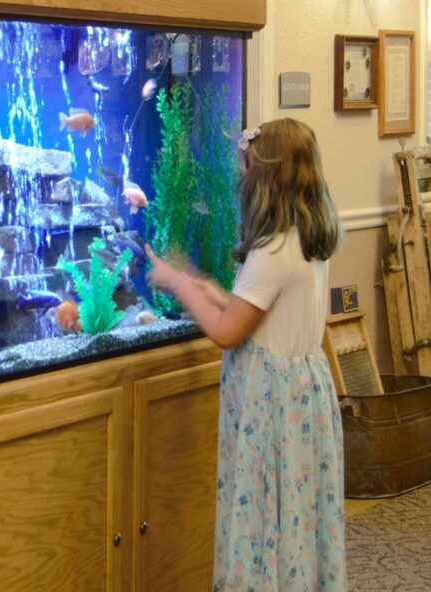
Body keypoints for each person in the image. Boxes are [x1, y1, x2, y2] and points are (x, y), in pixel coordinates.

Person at [146, 118, 346, 591]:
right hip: (303, 398)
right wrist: (208, 288)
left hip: (270, 404)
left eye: (246, 172)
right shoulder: (308, 238)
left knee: (262, 507)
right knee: (298, 510)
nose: (240, 182)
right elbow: (256, 311)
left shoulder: (272, 249)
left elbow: (227, 332)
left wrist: (177, 284)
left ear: (266, 180)